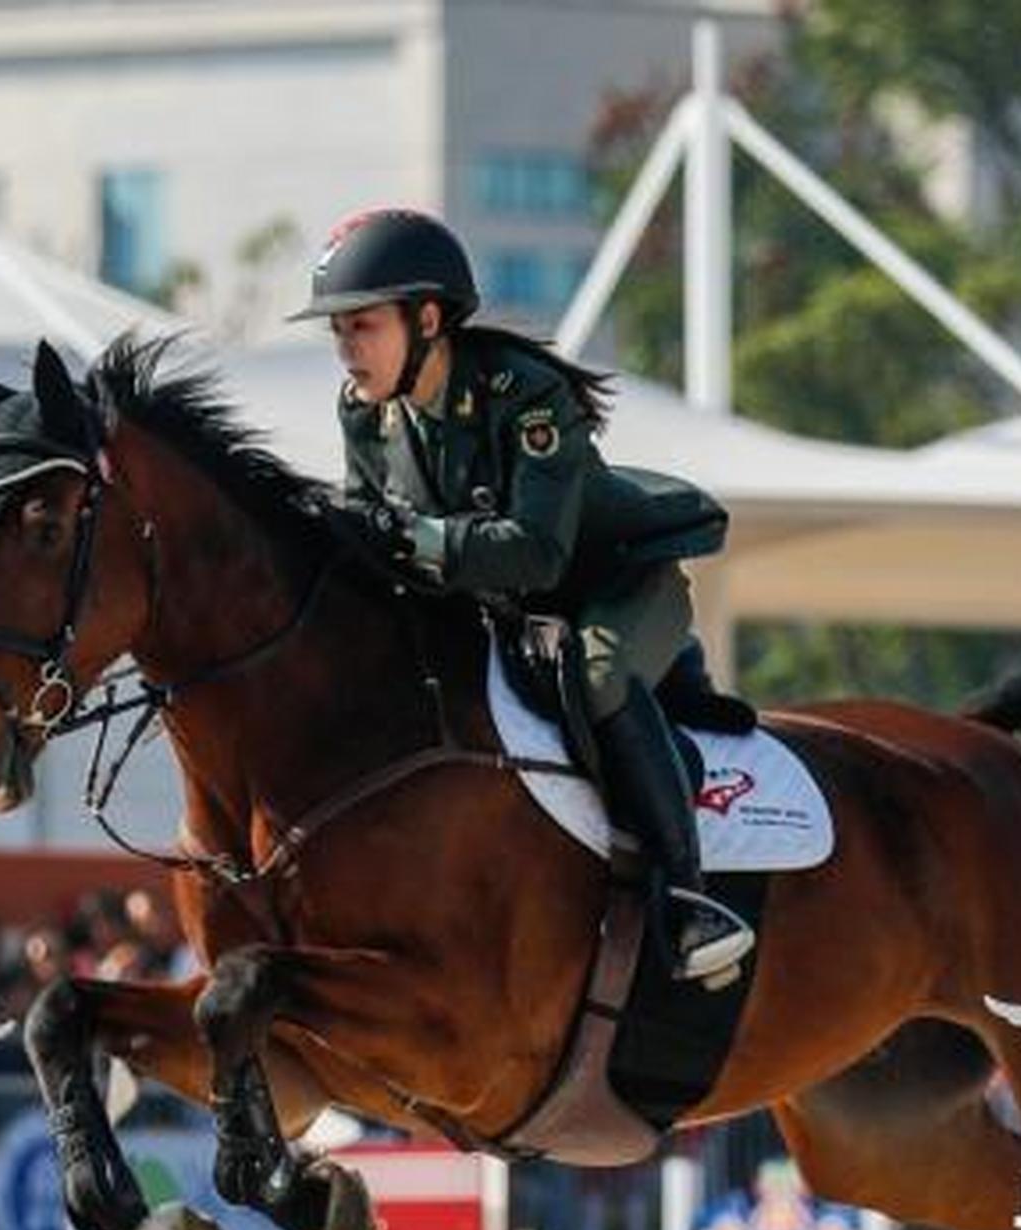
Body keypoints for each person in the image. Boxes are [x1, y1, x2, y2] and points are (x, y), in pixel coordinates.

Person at [288, 207, 752, 980]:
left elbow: (535, 556)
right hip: (507, 609)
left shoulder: (524, 395)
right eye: (337, 332)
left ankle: (689, 904)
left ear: (427, 317)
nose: (346, 351)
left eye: (361, 326)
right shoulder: (364, 413)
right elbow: (375, 537)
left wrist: (412, 538)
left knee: (598, 677)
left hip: (613, 588)